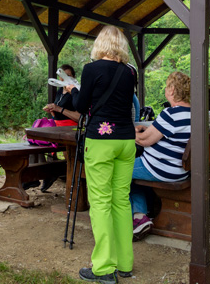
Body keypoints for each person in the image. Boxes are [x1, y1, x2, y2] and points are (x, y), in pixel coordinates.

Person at [64, 25, 138, 283]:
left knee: (100, 203)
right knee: (121, 200)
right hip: (127, 141)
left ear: (101, 44)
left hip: (101, 140)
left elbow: (82, 107)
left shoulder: (91, 69)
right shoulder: (131, 72)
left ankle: (104, 268)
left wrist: (73, 91)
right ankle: (125, 262)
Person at [130, 72, 192, 242]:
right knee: (131, 173)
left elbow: (143, 141)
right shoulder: (194, 114)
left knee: (118, 169)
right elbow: (158, 133)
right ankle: (141, 212)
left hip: (159, 168)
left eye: (167, 86)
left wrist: (130, 131)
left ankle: (138, 217)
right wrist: (145, 129)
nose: (166, 89)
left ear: (171, 90)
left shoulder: (170, 113)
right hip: (181, 170)